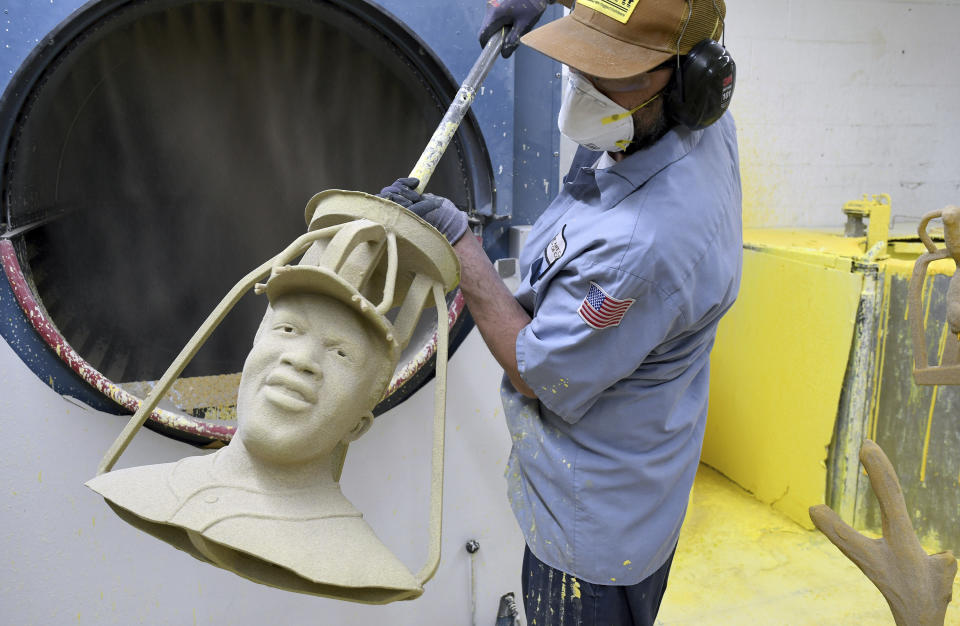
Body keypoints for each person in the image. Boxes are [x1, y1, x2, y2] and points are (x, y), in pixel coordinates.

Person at [381, 0, 742, 623]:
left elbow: (534, 369)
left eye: (609, 70)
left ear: (686, 86)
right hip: (653, 460)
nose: (580, 81)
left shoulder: (642, 246)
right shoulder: (699, 115)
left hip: (595, 530)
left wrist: (460, 245)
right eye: (579, 58)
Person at [87, 271, 422, 603]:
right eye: (288, 329)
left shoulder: (359, 559)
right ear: (247, 361)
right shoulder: (151, 487)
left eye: (341, 354)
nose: (301, 359)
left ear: (357, 426)